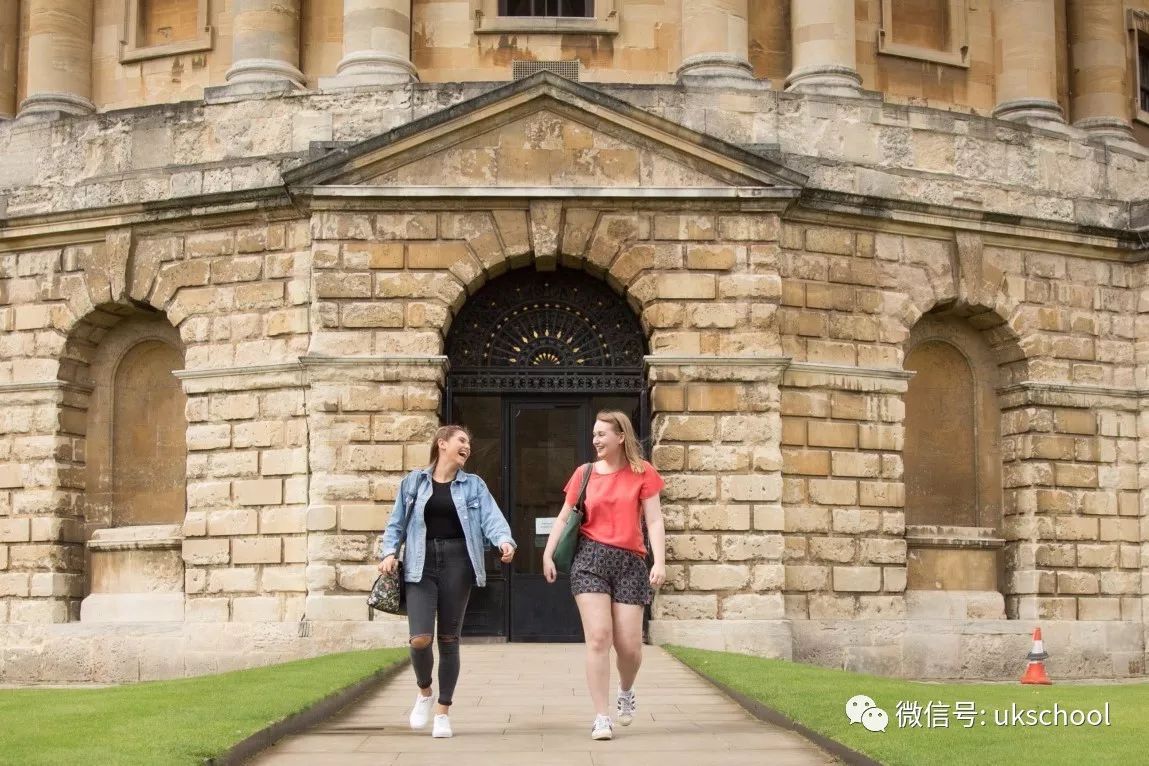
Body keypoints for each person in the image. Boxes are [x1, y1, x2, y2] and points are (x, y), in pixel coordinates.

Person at [378, 425, 516, 739]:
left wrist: (504, 541)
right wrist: (389, 552)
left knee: (450, 640)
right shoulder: (413, 482)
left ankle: (443, 711)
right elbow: (396, 523)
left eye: (469, 442)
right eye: (462, 440)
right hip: (419, 564)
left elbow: (492, 519)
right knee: (420, 639)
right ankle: (425, 691)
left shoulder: (474, 486)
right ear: (443, 443)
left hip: (458, 564)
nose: (468, 446)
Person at [542, 410, 667, 741]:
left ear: (620, 437)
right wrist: (547, 552)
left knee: (629, 648)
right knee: (599, 637)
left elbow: (654, 520)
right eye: (594, 434)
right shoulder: (584, 473)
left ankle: (625, 690)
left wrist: (660, 561)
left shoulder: (644, 473)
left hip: (630, 563)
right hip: (590, 560)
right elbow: (563, 517)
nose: (595, 440)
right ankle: (601, 716)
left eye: (602, 434)